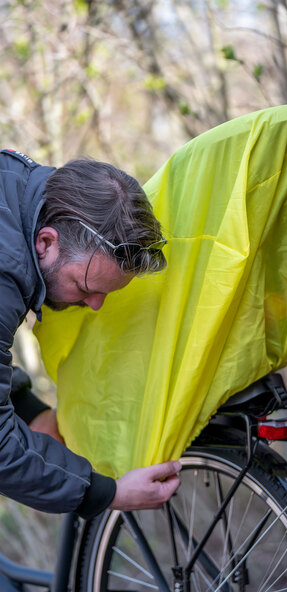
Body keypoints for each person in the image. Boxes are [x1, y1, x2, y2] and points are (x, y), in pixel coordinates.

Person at [0, 148, 181, 519]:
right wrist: (108, 493)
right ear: (46, 242)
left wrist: (29, 410)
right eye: (85, 287)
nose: (94, 305)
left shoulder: (20, 194)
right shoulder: (6, 271)